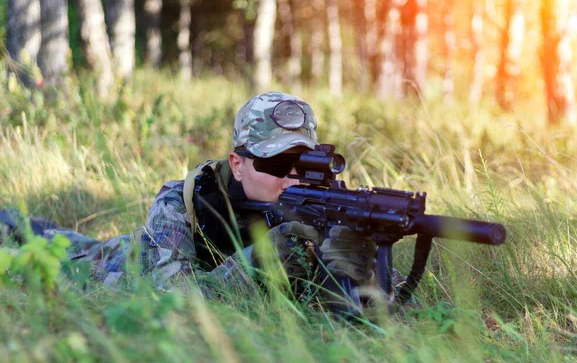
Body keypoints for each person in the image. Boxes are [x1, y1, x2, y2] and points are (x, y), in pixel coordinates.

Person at [0, 92, 378, 300]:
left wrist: (353, 263)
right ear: (238, 163)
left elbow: (361, 306)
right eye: (276, 165)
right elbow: (173, 300)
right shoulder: (186, 199)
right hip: (117, 266)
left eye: (304, 166)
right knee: (43, 254)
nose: (291, 181)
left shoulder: (325, 207)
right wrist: (261, 258)